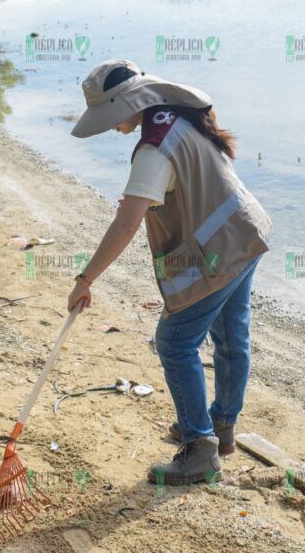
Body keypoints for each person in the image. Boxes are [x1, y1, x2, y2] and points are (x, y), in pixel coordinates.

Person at [66, 59, 271, 485]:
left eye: (109, 117)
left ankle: (200, 449)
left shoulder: (152, 150)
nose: (109, 127)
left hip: (220, 250)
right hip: (247, 231)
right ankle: (222, 429)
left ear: (127, 105)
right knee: (232, 337)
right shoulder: (178, 117)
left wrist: (85, 280)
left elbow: (125, 227)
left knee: (175, 342)